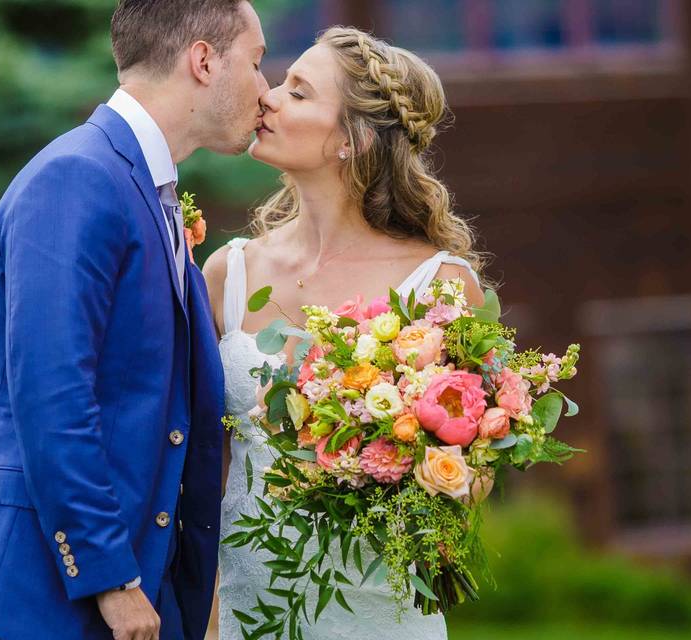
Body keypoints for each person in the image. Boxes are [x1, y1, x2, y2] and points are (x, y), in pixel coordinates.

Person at [0, 1, 268, 637]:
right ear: (203, 60)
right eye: (255, 63)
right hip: (54, 597)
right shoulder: (75, 178)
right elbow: (52, 395)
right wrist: (110, 578)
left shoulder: (148, 186)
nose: (265, 89)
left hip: (146, 587)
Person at [203, 26, 485, 639]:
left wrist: (389, 463)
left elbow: (475, 468)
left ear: (351, 141)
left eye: (298, 93)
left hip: (379, 599)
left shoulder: (438, 284)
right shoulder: (228, 273)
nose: (269, 98)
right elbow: (208, 459)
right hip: (251, 594)